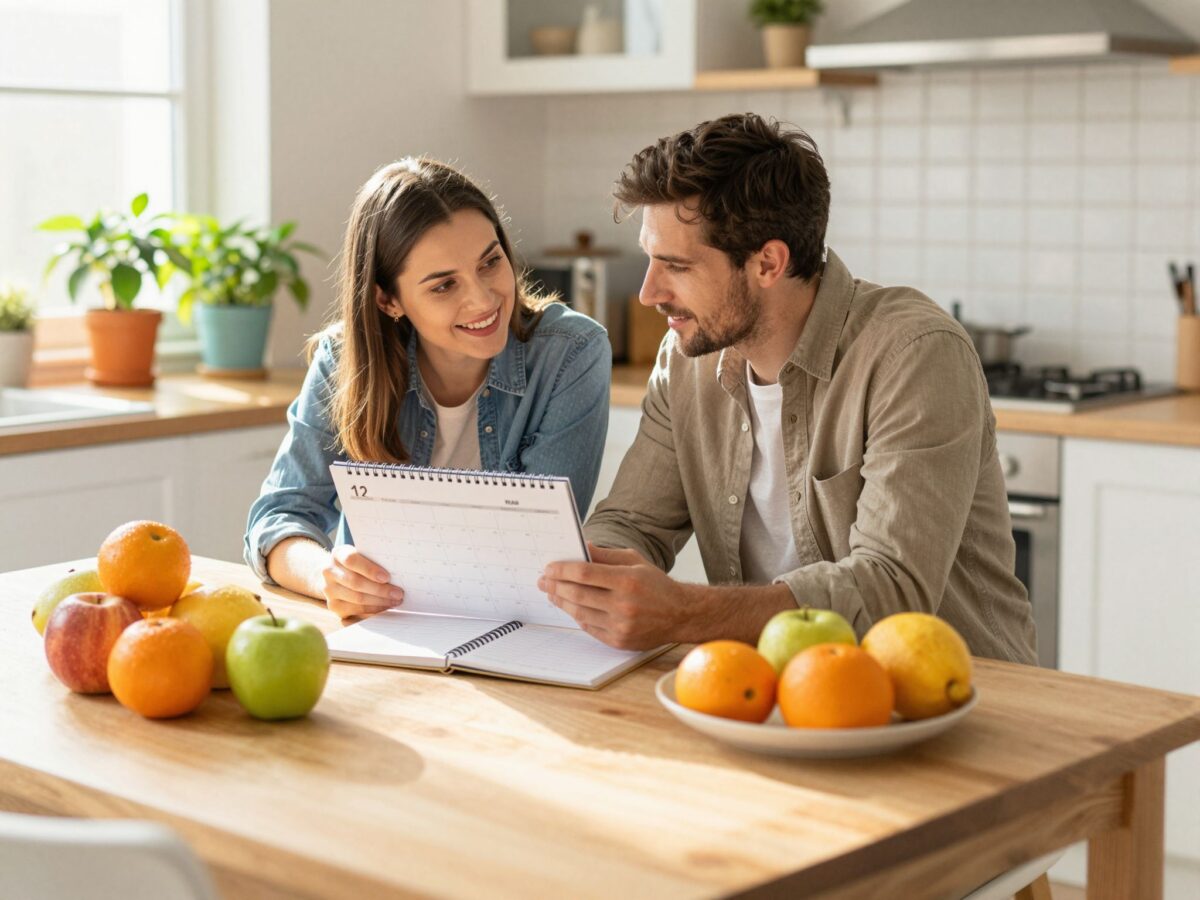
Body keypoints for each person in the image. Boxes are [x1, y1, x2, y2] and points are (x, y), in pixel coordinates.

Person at [538, 113, 1037, 665]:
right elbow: (633, 523)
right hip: (782, 696)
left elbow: (890, 589)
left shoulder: (914, 353)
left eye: (675, 266)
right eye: (650, 260)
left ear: (767, 263)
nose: (648, 292)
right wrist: (580, 576)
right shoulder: (686, 364)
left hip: (955, 704)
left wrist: (684, 612)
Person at [246, 158, 611, 618]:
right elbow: (278, 518)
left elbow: (531, 548)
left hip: (514, 629)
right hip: (383, 632)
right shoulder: (344, 362)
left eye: (491, 261)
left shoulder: (571, 353)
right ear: (388, 299)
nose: (483, 299)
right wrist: (327, 576)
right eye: (443, 286)